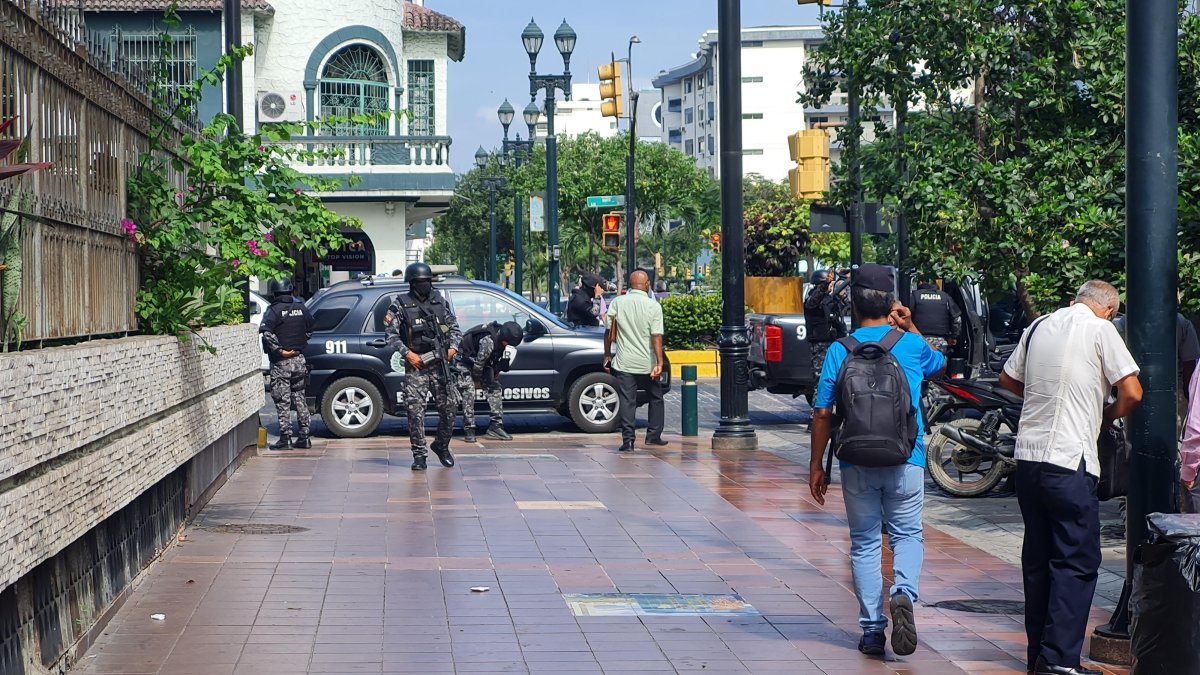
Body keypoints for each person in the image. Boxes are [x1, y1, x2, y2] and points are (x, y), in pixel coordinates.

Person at [999, 280, 1142, 675]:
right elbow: (1132, 392)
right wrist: (1103, 415)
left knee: (1039, 559)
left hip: (1028, 458)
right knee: (1076, 561)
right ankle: (1059, 661)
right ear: (1109, 310)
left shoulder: (1041, 324)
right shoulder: (1101, 330)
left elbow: (1008, 380)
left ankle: (1038, 658)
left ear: (1075, 300)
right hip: (1070, 458)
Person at [808, 263, 945, 658]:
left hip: (855, 461)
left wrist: (817, 466)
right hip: (908, 457)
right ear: (890, 303)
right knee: (907, 535)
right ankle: (903, 591)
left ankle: (871, 630)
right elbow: (939, 365)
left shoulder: (840, 349)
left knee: (865, 542)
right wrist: (910, 326)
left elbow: (821, 414)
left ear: (852, 304)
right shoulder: (911, 345)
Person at [384, 261, 462, 471]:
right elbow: (390, 334)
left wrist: (452, 349)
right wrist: (407, 354)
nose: (425, 285)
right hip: (416, 365)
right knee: (415, 412)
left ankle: (441, 445)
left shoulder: (440, 301)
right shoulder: (400, 304)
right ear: (412, 283)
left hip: (440, 364)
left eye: (427, 281)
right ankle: (419, 455)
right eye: (420, 282)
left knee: (450, 408)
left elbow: (454, 329)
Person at [604, 269, 666, 453]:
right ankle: (653, 436)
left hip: (624, 362)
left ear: (631, 285)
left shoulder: (618, 302)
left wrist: (607, 355)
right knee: (656, 397)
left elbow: (608, 332)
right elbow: (656, 337)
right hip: (647, 363)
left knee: (627, 400)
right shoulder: (653, 306)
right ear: (646, 285)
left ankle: (628, 441)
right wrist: (659, 362)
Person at [260, 278, 315, 450]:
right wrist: (298, 346)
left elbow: (266, 333)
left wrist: (280, 351)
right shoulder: (301, 308)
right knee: (300, 398)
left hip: (282, 363)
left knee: (282, 401)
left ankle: (286, 438)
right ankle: (305, 437)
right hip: (299, 361)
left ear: (275, 292)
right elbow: (310, 329)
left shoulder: (274, 310)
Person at [454, 320, 523, 442]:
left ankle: (496, 426)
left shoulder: (501, 340)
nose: (507, 345)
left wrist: (494, 373)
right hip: (464, 363)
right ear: (503, 338)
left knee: (495, 388)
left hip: (480, 364)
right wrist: (477, 382)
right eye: (507, 343)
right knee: (468, 391)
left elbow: (492, 362)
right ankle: (469, 429)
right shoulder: (489, 341)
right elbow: (478, 367)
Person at [803, 270, 848, 378]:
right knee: (821, 379)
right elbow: (814, 300)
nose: (832, 286)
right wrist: (825, 285)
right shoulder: (814, 301)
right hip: (820, 346)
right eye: (830, 284)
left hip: (835, 343)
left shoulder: (830, 300)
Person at [910, 281, 962, 356]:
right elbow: (957, 319)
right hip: (940, 341)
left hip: (918, 339)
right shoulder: (945, 296)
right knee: (939, 364)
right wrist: (954, 336)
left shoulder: (914, 296)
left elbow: (905, 315)